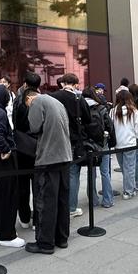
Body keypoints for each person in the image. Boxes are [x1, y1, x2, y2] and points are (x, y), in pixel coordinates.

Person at [25, 89, 71, 254]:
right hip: (65, 156)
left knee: (46, 202)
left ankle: (45, 243)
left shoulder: (36, 101)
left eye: (27, 104)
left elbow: (34, 127)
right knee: (62, 200)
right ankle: (62, 238)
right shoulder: (57, 102)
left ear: (29, 98)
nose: (29, 107)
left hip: (48, 158)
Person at [0, 85, 24, 247]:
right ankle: (8, 235)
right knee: (8, 196)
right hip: (4, 160)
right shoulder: (0, 113)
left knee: (1, 195)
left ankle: (0, 231)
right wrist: (6, 149)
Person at [50, 73, 91, 218]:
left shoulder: (53, 97)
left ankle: (58, 206)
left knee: (57, 174)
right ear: (75, 84)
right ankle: (71, 207)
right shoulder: (78, 98)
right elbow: (88, 118)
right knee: (73, 174)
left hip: (56, 139)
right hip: (74, 140)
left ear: (62, 83)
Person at [13, 72, 42, 229]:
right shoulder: (42, 100)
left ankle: (24, 218)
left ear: (25, 84)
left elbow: (15, 123)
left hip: (21, 148)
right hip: (38, 147)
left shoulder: (18, 100)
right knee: (38, 186)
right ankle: (38, 220)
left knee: (22, 186)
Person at [83, 86, 116, 208]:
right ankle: (107, 200)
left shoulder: (80, 108)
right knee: (105, 172)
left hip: (88, 144)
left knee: (91, 172)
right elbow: (109, 126)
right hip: (102, 142)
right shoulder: (101, 108)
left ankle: (92, 200)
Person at [110, 90, 138, 200]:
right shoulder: (133, 111)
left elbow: (111, 128)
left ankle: (129, 188)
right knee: (130, 167)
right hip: (130, 143)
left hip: (118, 144)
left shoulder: (112, 111)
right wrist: (134, 137)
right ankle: (129, 190)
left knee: (124, 168)